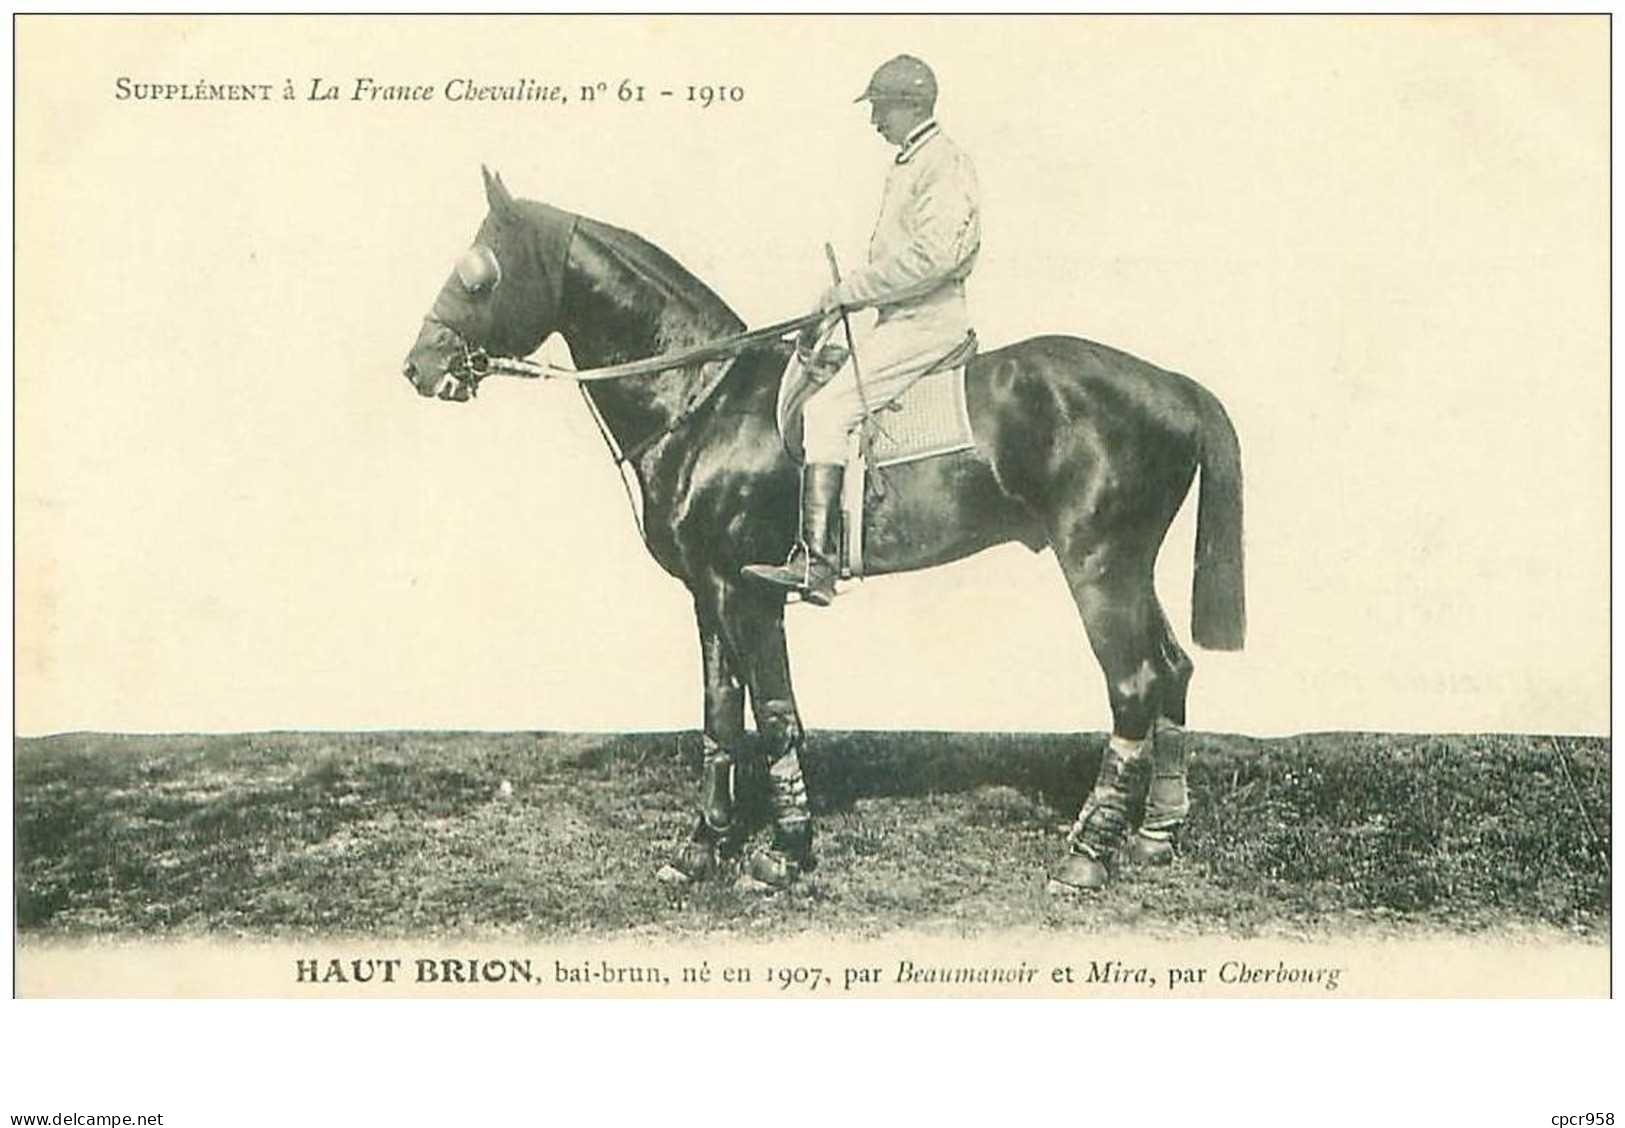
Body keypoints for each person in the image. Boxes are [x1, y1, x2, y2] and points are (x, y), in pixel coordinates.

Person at [742, 54, 982, 605]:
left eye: (881, 108)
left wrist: (848, 291)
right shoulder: (912, 161)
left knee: (825, 411)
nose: (875, 120)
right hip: (900, 317)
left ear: (910, 105)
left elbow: (935, 257)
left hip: (928, 322)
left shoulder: (943, 163)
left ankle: (817, 565)